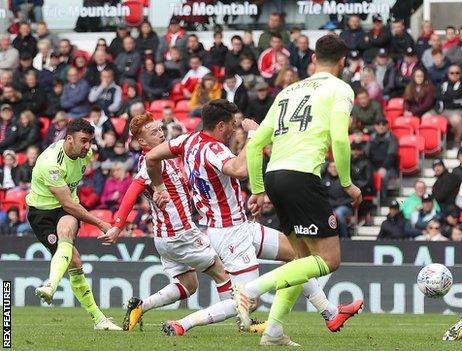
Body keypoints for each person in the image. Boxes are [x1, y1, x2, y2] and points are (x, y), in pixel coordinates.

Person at [144, 100, 348, 340]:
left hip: (239, 225)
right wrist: (254, 134)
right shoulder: (214, 149)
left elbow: (151, 157)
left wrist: (159, 187)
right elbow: (240, 170)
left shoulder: (186, 141)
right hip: (229, 232)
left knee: (297, 256)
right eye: (232, 125)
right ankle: (182, 323)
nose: (234, 130)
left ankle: (330, 312)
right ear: (220, 126)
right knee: (247, 301)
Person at [233, 35, 364, 346]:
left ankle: (273, 331)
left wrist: (258, 189)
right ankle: (250, 290)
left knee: (299, 260)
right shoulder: (340, 89)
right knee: (329, 260)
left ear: (313, 60)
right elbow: (341, 140)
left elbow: (257, 145)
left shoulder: (287, 91)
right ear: (343, 62)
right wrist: (347, 183)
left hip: (276, 175)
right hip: (303, 176)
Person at [97, 113, 241, 333]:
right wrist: (118, 225)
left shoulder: (163, 156)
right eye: (153, 132)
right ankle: (243, 323)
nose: (161, 133)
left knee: (189, 284)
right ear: (142, 142)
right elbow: (132, 189)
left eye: (160, 129)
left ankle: (141, 307)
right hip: (181, 233)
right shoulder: (151, 162)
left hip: (165, 237)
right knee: (223, 275)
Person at [25, 119, 120, 330]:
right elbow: (67, 202)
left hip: (65, 207)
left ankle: (50, 284)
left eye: (90, 141)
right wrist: (101, 223)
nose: (88, 147)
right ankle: (99, 319)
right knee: (75, 260)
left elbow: (68, 204)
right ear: (68, 139)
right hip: (42, 213)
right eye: (83, 141)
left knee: (66, 231)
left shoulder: (84, 153)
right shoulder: (51, 163)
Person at [426, 64, 462, 147]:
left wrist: (445, 95)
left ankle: (457, 140)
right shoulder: (443, 84)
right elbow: (436, 95)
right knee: (426, 117)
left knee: (456, 120)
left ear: (460, 74)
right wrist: (449, 96)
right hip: (441, 109)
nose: (454, 75)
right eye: (452, 73)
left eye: (457, 73)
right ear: (448, 74)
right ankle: (433, 142)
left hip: (457, 110)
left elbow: (455, 95)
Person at [367, 117, 398, 204]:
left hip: (389, 168)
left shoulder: (392, 138)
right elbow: (366, 154)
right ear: (375, 126)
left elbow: (391, 156)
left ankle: (382, 200)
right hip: (373, 166)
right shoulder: (372, 138)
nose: (381, 127)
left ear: (387, 126)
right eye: (378, 124)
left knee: (382, 176)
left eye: (383, 124)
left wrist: (384, 167)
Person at [324, 161, 353, 238]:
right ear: (328, 169)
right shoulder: (324, 181)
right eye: (331, 167)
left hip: (345, 207)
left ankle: (344, 238)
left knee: (338, 213)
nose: (334, 169)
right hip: (329, 207)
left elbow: (352, 197)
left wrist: (338, 203)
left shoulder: (345, 180)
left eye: (335, 167)